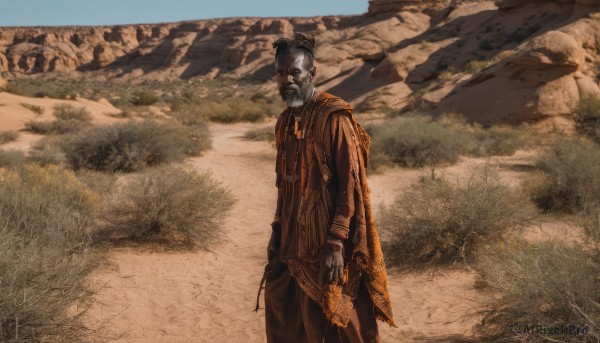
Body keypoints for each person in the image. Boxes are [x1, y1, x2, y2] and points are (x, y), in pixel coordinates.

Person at [262, 33, 395, 343]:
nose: (287, 80)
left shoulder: (333, 118)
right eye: (281, 73)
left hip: (329, 244)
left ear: (312, 73)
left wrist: (335, 243)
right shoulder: (285, 121)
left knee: (340, 324)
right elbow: (285, 183)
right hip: (291, 243)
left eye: (294, 72)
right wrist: (277, 228)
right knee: (285, 315)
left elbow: (352, 184)